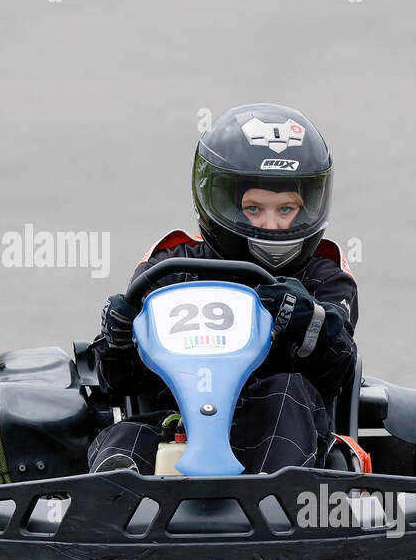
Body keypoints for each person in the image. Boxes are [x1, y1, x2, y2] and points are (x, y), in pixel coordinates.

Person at [88, 102, 359, 475]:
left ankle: (271, 499)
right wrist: (117, 341)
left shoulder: (324, 275)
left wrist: (307, 321)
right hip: (177, 425)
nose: (271, 225)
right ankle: (114, 497)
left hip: (279, 434)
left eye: (285, 209)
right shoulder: (171, 267)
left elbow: (340, 370)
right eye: (254, 209)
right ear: (220, 201)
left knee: (286, 391)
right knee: (123, 437)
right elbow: (120, 383)